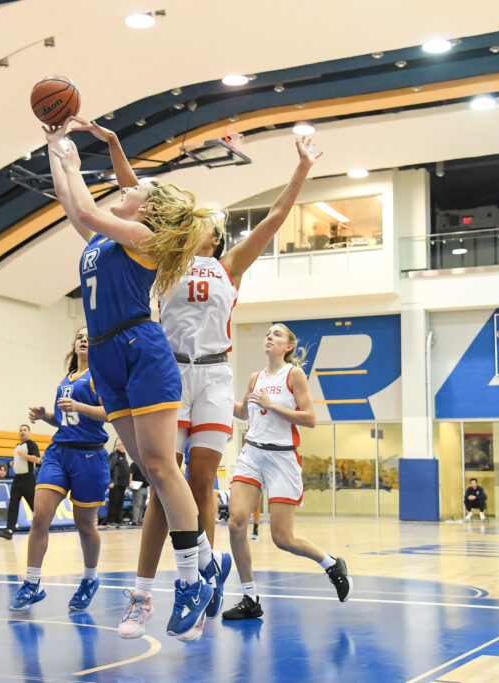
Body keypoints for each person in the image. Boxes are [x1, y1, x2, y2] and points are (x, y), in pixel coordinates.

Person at [136, 135, 320, 625]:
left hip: (215, 377)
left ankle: (201, 581)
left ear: (214, 236)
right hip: (171, 373)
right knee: (163, 481)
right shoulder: (161, 261)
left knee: (200, 483)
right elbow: (136, 199)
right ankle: (167, 583)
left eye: (205, 227)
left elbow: (275, 218)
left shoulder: (229, 266)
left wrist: (300, 169)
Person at [46, 116, 217, 641]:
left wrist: (71, 160)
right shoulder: (100, 244)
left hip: (141, 349)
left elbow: (82, 205)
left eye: (135, 189)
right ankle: (208, 561)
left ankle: (190, 582)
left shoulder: (142, 235)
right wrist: (56, 148)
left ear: (147, 208)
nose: (125, 190)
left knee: (165, 468)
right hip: (105, 358)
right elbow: (72, 205)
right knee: (151, 470)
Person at [222, 323, 352, 620]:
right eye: (267, 333)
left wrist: (273, 405)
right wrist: (218, 398)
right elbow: (245, 412)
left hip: (282, 458)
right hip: (252, 453)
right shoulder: (255, 378)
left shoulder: (294, 375)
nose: (269, 336)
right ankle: (250, 597)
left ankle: (331, 564)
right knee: (236, 523)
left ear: (288, 346)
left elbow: (310, 418)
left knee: (283, 538)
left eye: (277, 334)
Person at [8, 326, 110, 612]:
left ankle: (90, 578)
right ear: (73, 345)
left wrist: (79, 404)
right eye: (79, 336)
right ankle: (32, 582)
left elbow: (109, 414)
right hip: (58, 452)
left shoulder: (100, 377)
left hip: (89, 456)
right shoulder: (67, 378)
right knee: (40, 516)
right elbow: (66, 419)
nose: (84, 339)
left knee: (85, 525)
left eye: (90, 336)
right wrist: (46, 416)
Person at [0, 425, 41, 540]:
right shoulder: (17, 446)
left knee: (33, 504)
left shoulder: (32, 444)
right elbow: (19, 460)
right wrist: (14, 463)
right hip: (17, 479)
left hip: (28, 479)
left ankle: (42, 526)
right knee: (13, 504)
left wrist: (24, 456)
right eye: (20, 430)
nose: (22, 432)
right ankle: (9, 530)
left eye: (25, 430)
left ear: (29, 433)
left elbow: (37, 459)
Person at [107, 439, 131, 526]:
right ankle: (110, 520)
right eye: (121, 445)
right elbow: (108, 468)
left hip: (122, 484)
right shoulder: (115, 455)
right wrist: (110, 481)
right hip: (115, 483)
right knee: (114, 502)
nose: (122, 446)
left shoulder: (123, 456)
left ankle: (118, 520)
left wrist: (127, 484)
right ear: (117, 446)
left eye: (123, 445)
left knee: (120, 503)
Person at [129, 460, 149, 526]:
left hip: (145, 487)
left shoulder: (145, 463)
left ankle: (140, 519)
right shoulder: (135, 463)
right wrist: (130, 483)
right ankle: (135, 520)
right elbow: (131, 473)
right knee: (137, 504)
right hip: (137, 487)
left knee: (142, 505)